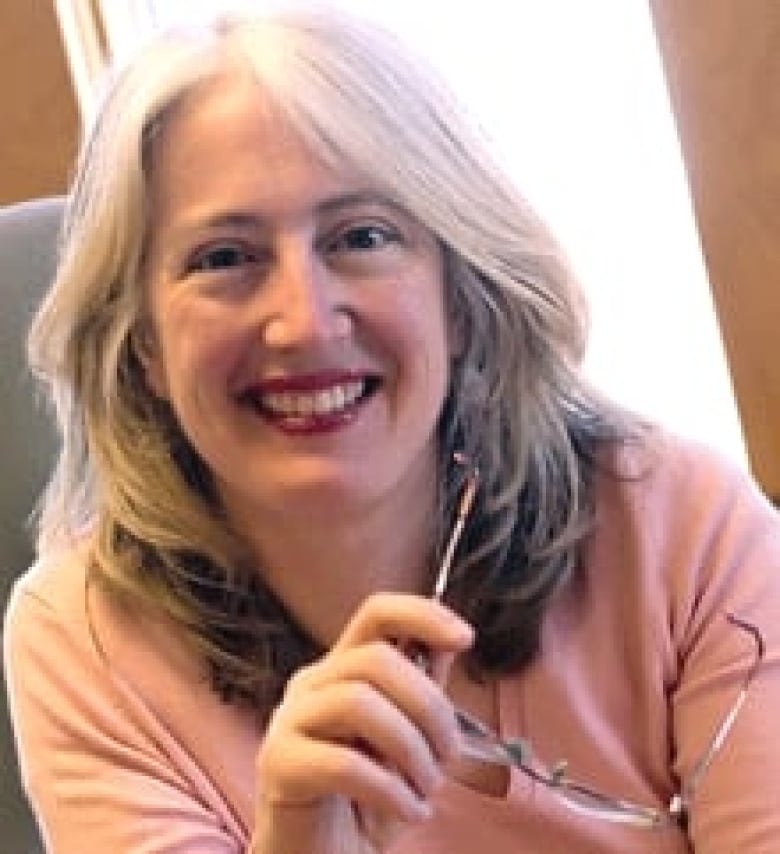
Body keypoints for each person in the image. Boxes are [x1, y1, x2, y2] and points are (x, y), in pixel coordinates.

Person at [4, 5, 780, 853]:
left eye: (362, 237)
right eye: (225, 257)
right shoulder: (82, 641)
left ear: (460, 297)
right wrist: (302, 837)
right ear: (142, 340)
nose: (302, 322)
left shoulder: (684, 530)